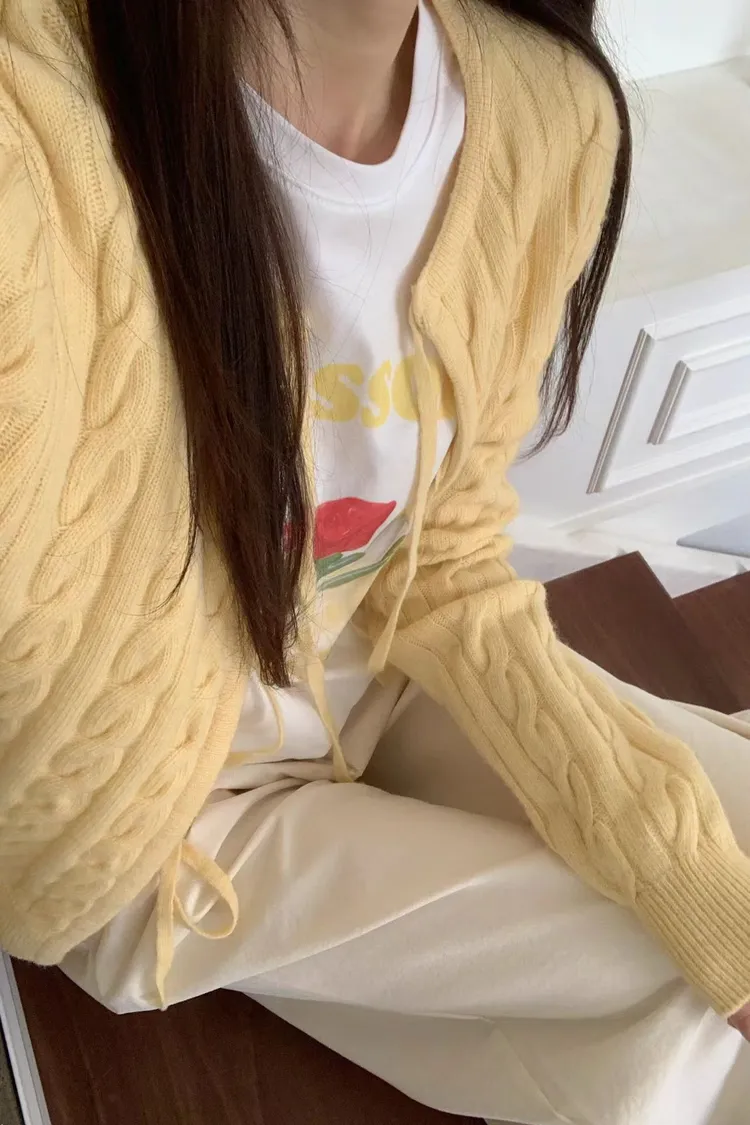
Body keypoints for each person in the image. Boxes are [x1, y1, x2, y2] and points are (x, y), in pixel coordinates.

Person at [1, 0, 749, 1121]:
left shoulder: (546, 112)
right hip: (147, 812)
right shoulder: (34, 123)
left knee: (719, 873)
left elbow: (445, 552)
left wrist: (659, 845)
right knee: (672, 998)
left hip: (377, 665)